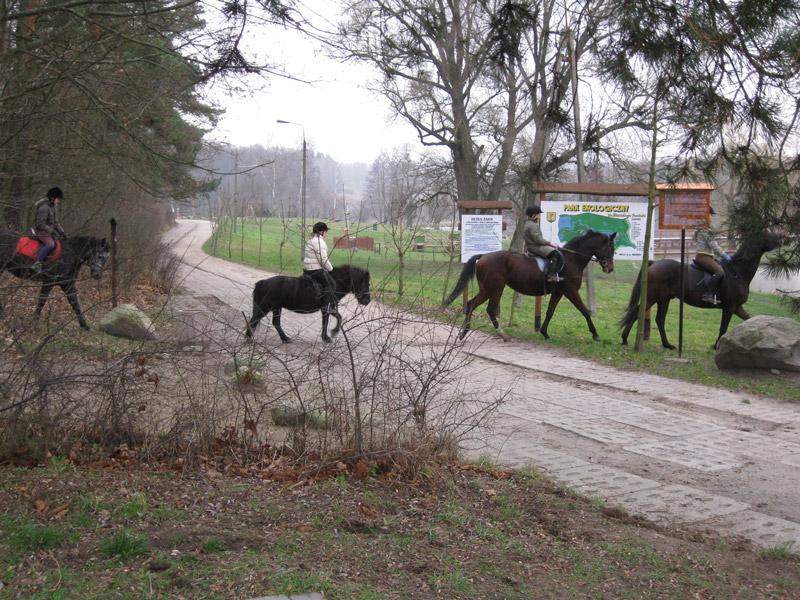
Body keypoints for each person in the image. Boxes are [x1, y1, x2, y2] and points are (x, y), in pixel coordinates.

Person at [694, 206, 731, 304]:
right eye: (711, 215)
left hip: (708, 256)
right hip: (703, 256)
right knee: (719, 271)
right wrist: (723, 255)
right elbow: (713, 244)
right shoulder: (704, 228)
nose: (713, 217)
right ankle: (707, 294)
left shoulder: (706, 227)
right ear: (706, 215)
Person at [523, 205, 563, 282]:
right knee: (554, 252)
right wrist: (549, 243)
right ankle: (551, 275)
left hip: (533, 245)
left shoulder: (529, 223)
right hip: (535, 247)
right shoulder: (532, 225)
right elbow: (538, 240)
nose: (539, 216)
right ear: (534, 215)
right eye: (538, 214)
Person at [32, 186, 67, 273]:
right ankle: (37, 262)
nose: (59, 201)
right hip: (41, 232)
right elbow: (40, 224)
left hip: (48, 232)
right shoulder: (44, 208)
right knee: (51, 244)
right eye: (58, 199)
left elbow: (56, 222)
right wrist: (51, 232)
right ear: (52, 198)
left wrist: (62, 232)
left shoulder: (53, 207)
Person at [303, 221, 336, 310]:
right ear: (321, 232)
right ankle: (325, 306)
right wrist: (331, 269)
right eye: (326, 232)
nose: (326, 234)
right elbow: (323, 259)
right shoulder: (319, 242)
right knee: (331, 283)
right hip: (314, 269)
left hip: (307, 269)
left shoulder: (312, 239)